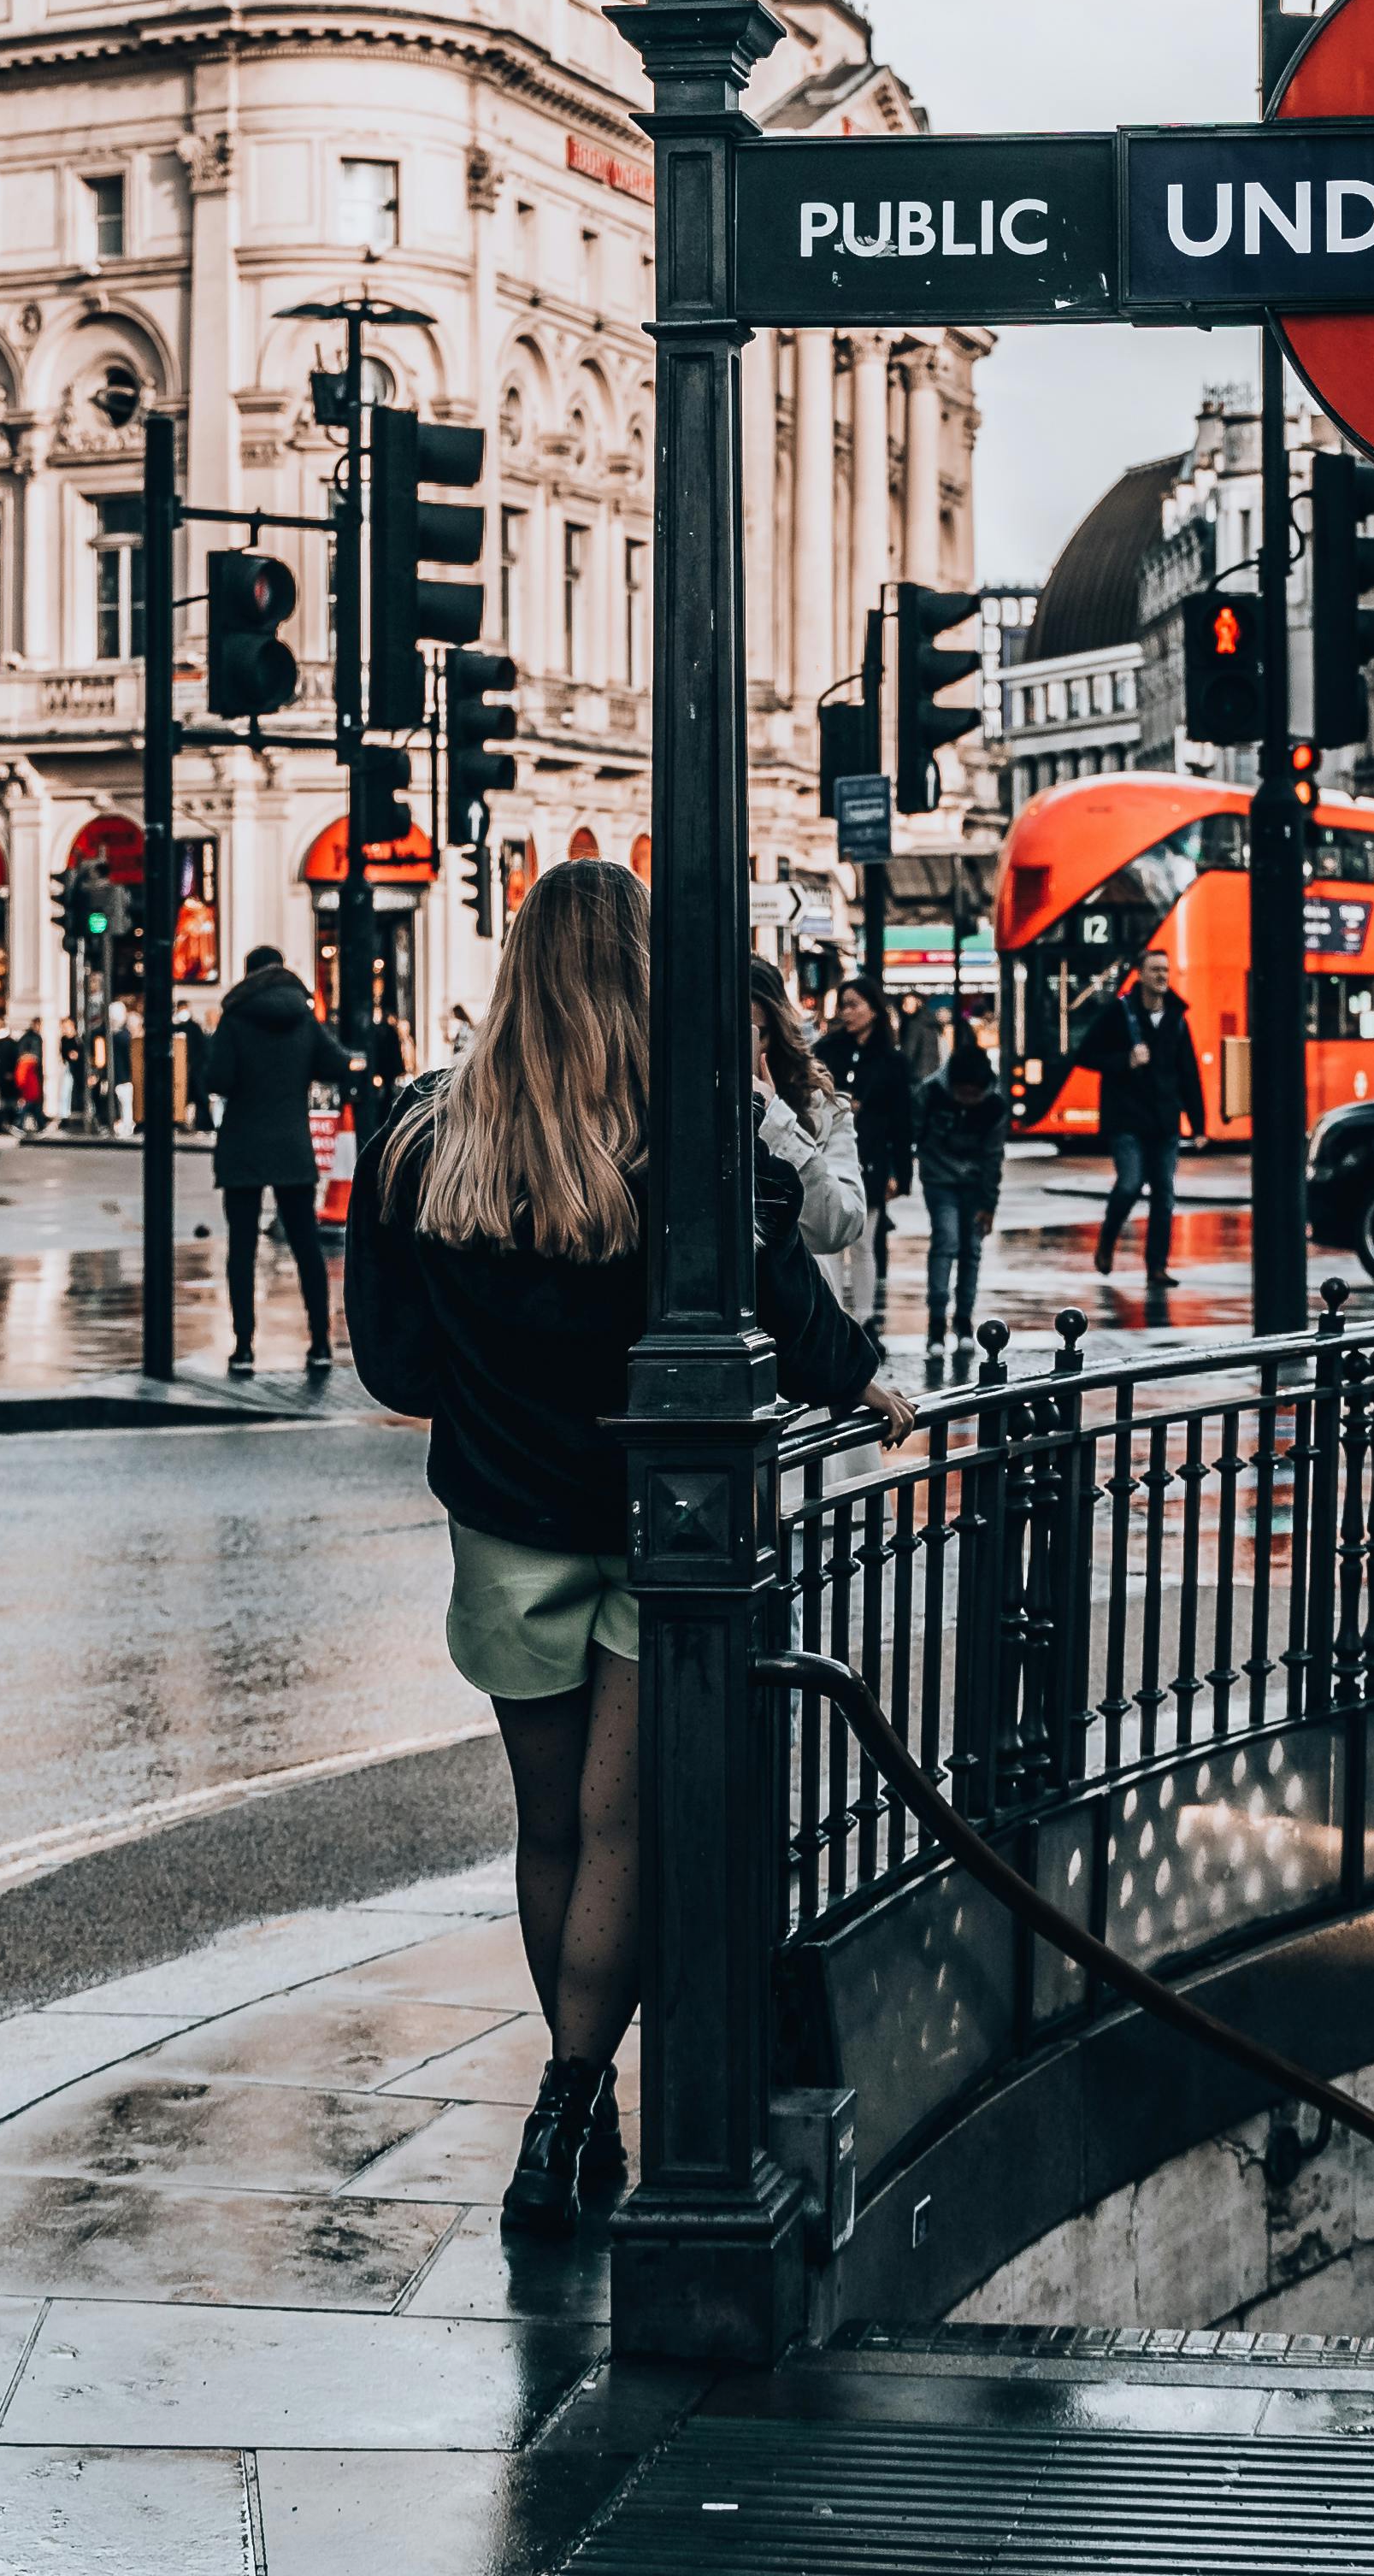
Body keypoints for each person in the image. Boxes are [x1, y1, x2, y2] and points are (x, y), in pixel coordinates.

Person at [345, 863, 892, 2232]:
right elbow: (777, 1298)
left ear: (517, 967)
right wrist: (860, 1378)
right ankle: (576, 2100)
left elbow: (392, 1361)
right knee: (619, 1830)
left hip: (503, 1525)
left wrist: (491, 1382)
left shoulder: (419, 1134)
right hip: (662, 1523)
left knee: (544, 1833)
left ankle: (567, 2111)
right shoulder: (684, 1136)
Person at [205, 943, 357, 1382]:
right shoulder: (303, 1017)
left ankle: (244, 1348)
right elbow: (337, 1066)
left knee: (242, 1251)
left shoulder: (234, 1018)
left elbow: (218, 1079)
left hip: (243, 1145)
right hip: (292, 1145)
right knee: (307, 1247)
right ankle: (320, 1344)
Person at [1077, 950, 1202, 1296]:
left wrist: (1200, 1123)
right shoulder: (1120, 1014)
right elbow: (1084, 1054)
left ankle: (1157, 1267)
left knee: (1164, 1196)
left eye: (1166, 969)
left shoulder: (1177, 1018)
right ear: (1141, 975)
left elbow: (1188, 1073)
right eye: (1155, 969)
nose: (1162, 975)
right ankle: (1107, 1239)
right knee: (1130, 1185)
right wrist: (1125, 1060)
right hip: (1127, 1119)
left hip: (1164, 1121)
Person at [748, 957, 866, 1260]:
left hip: (794, 1302)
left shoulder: (821, 1108)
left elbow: (838, 1227)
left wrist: (775, 1123)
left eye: (756, 1034)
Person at [821, 981, 917, 1341]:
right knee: (829, 1245)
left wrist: (901, 1174)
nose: (846, 1012)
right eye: (843, 1005)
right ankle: (833, 1321)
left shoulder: (892, 1061)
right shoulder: (828, 1050)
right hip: (830, 1157)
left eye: (853, 1005)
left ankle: (864, 1322)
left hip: (871, 1159)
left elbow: (902, 1121)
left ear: (873, 1009)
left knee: (864, 1243)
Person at [914, 1007, 1008, 1372]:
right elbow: (915, 1131)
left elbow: (993, 1157)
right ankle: (937, 1323)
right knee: (947, 1241)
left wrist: (989, 1205)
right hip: (939, 1179)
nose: (970, 1102)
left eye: (975, 1096)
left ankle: (963, 1320)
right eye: (964, 1095)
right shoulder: (931, 1093)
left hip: (973, 1185)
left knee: (971, 1250)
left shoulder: (994, 1104)